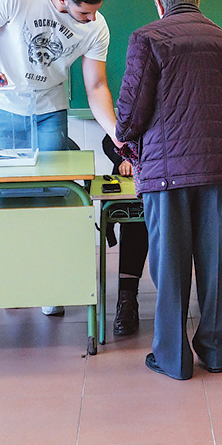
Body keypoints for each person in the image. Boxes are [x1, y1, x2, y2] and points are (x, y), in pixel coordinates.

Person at [0, 0, 120, 316]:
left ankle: (51, 283)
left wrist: (115, 133)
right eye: (84, 12)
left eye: (96, 11)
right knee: (3, 200)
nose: (93, 19)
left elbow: (96, 86)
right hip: (3, 108)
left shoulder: (97, 27)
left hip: (50, 109)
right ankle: (13, 282)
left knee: (52, 198)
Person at [115, 0, 222, 380]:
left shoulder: (147, 38)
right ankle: (217, 353)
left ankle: (173, 359)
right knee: (218, 263)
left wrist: (125, 137)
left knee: (170, 267)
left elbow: (131, 112)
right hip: (219, 168)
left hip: (167, 171)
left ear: (159, 4)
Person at [101, 134, 149, 336]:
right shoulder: (135, 105)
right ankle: (127, 298)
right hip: (136, 180)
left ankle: (187, 299)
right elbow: (108, 139)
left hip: (175, 173)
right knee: (134, 216)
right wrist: (125, 158)